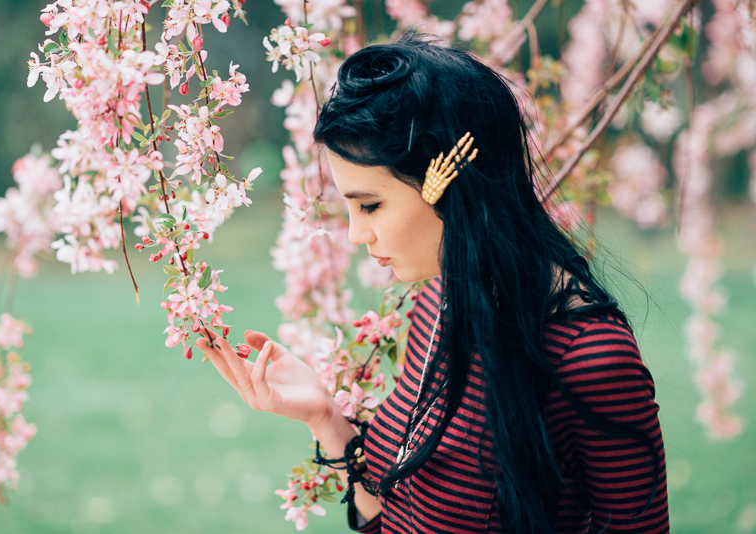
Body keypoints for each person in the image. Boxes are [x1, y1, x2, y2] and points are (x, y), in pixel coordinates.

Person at [195, 34, 669, 534]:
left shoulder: (590, 358)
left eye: (370, 205)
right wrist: (323, 416)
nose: (356, 234)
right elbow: (391, 517)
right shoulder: (439, 304)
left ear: (446, 182)